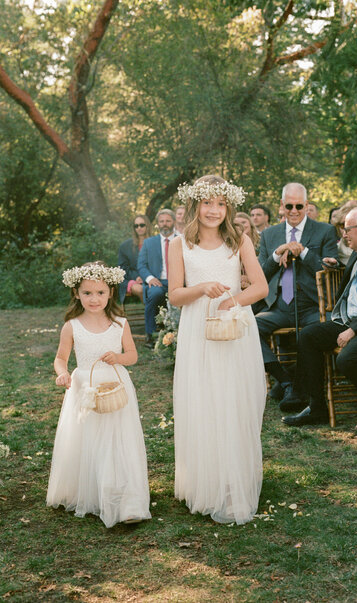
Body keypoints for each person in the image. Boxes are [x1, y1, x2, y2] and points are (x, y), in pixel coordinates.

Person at [169, 175, 268, 525]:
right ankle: (204, 482)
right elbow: (175, 295)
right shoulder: (180, 244)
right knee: (203, 399)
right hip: (198, 329)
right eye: (207, 203)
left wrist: (231, 301)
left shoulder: (238, 240)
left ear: (229, 207)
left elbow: (260, 287)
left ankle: (233, 480)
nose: (213, 210)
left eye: (220, 204)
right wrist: (201, 288)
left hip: (234, 328)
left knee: (233, 399)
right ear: (196, 205)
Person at [47, 261, 151, 527]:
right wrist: (63, 372)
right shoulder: (72, 326)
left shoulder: (120, 324)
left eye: (100, 293)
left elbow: (133, 356)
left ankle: (126, 501)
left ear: (110, 293)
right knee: (89, 439)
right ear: (77, 294)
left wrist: (118, 357)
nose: (94, 299)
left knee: (118, 440)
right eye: (87, 293)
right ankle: (92, 491)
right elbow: (61, 357)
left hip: (116, 387)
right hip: (85, 387)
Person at [283, 206, 357, 432]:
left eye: (347, 229)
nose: (343, 234)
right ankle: (317, 407)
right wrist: (339, 267)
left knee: (347, 359)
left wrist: (354, 329)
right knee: (308, 336)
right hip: (350, 319)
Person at [256, 182, 338, 410]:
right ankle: (285, 381)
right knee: (248, 328)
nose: (294, 211)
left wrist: (303, 252)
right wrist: (276, 254)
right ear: (281, 205)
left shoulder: (325, 231)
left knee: (319, 333)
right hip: (279, 306)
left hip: (314, 305)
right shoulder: (269, 234)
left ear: (307, 205)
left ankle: (310, 396)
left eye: (299, 206)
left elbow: (330, 269)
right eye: (289, 206)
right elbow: (260, 274)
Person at [138, 209, 176, 348]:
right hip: (158, 282)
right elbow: (141, 265)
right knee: (154, 294)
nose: (164, 224)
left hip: (177, 282)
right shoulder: (149, 243)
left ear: (173, 222)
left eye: (167, 221)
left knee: (180, 297)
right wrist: (149, 278)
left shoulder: (182, 240)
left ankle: (176, 333)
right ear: (157, 224)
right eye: (161, 221)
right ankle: (151, 335)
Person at [118, 214, 152, 304]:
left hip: (152, 277)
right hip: (131, 279)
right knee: (141, 290)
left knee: (156, 290)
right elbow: (123, 269)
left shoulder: (155, 243)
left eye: (142, 225)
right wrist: (136, 276)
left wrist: (146, 276)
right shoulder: (125, 246)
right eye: (136, 226)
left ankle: (159, 315)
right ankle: (151, 316)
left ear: (147, 226)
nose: (139, 228)